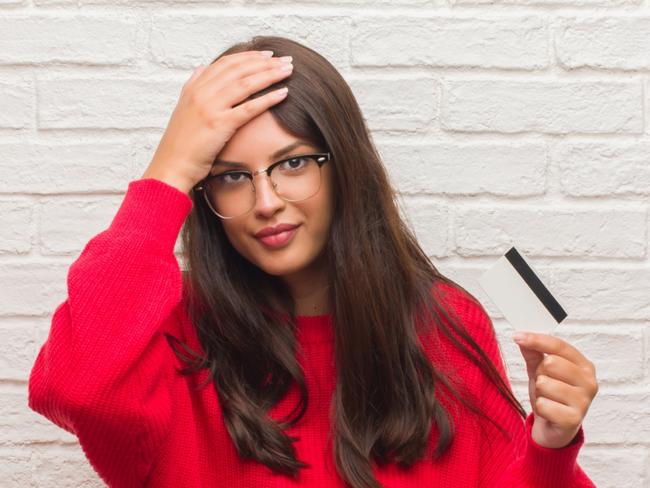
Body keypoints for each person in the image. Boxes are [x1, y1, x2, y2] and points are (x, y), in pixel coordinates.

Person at [27, 35, 598, 488]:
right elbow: (80, 389)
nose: (267, 201)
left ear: (344, 167)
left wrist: (548, 449)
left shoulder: (444, 323)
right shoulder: (169, 333)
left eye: (294, 163)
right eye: (230, 176)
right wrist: (168, 171)